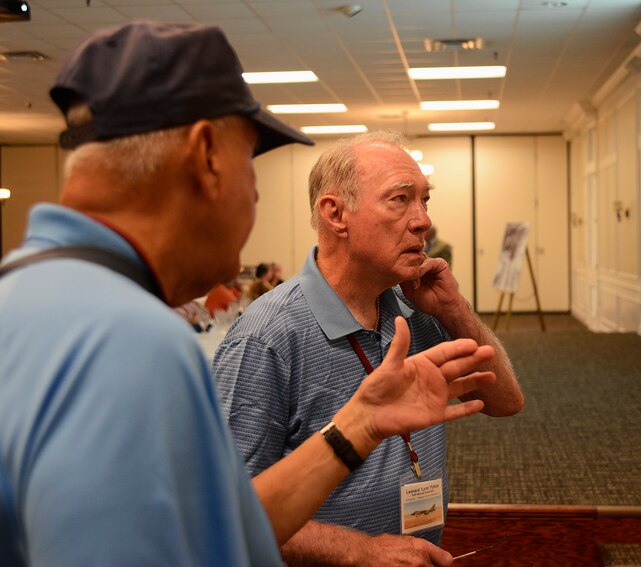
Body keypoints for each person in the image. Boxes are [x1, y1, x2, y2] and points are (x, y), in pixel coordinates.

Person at [0, 22, 499, 566]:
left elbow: (216, 522)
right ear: (207, 154)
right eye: (251, 163)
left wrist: (357, 425)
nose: (255, 195)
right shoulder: (128, 339)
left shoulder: (26, 292)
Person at [213, 130, 525, 566]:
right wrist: (360, 552)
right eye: (400, 199)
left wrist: (455, 310)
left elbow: (505, 400)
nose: (423, 221)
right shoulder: (266, 338)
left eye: (424, 200)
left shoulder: (414, 308)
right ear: (336, 213)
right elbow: (225, 515)